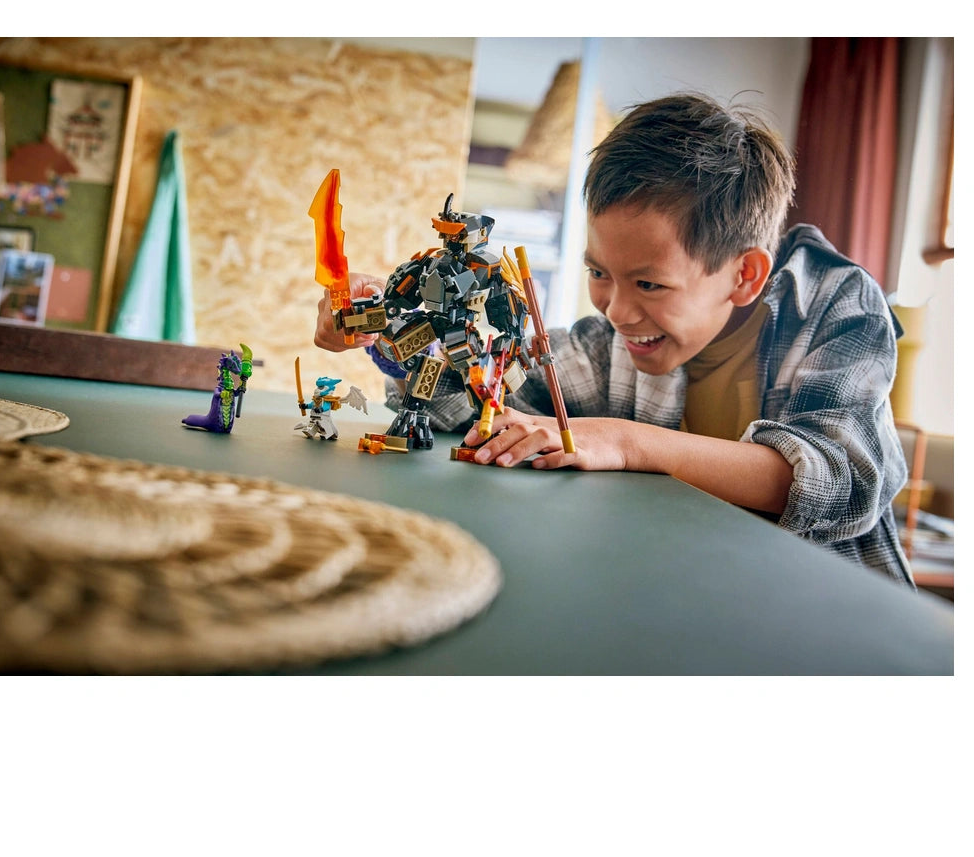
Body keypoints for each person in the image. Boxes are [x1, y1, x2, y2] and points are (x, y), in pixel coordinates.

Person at [313, 93, 914, 586]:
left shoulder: (834, 302)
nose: (616, 311)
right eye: (598, 272)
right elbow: (475, 406)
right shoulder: (608, 346)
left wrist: (625, 441)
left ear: (744, 275)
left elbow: (842, 482)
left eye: (649, 283)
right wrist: (391, 331)